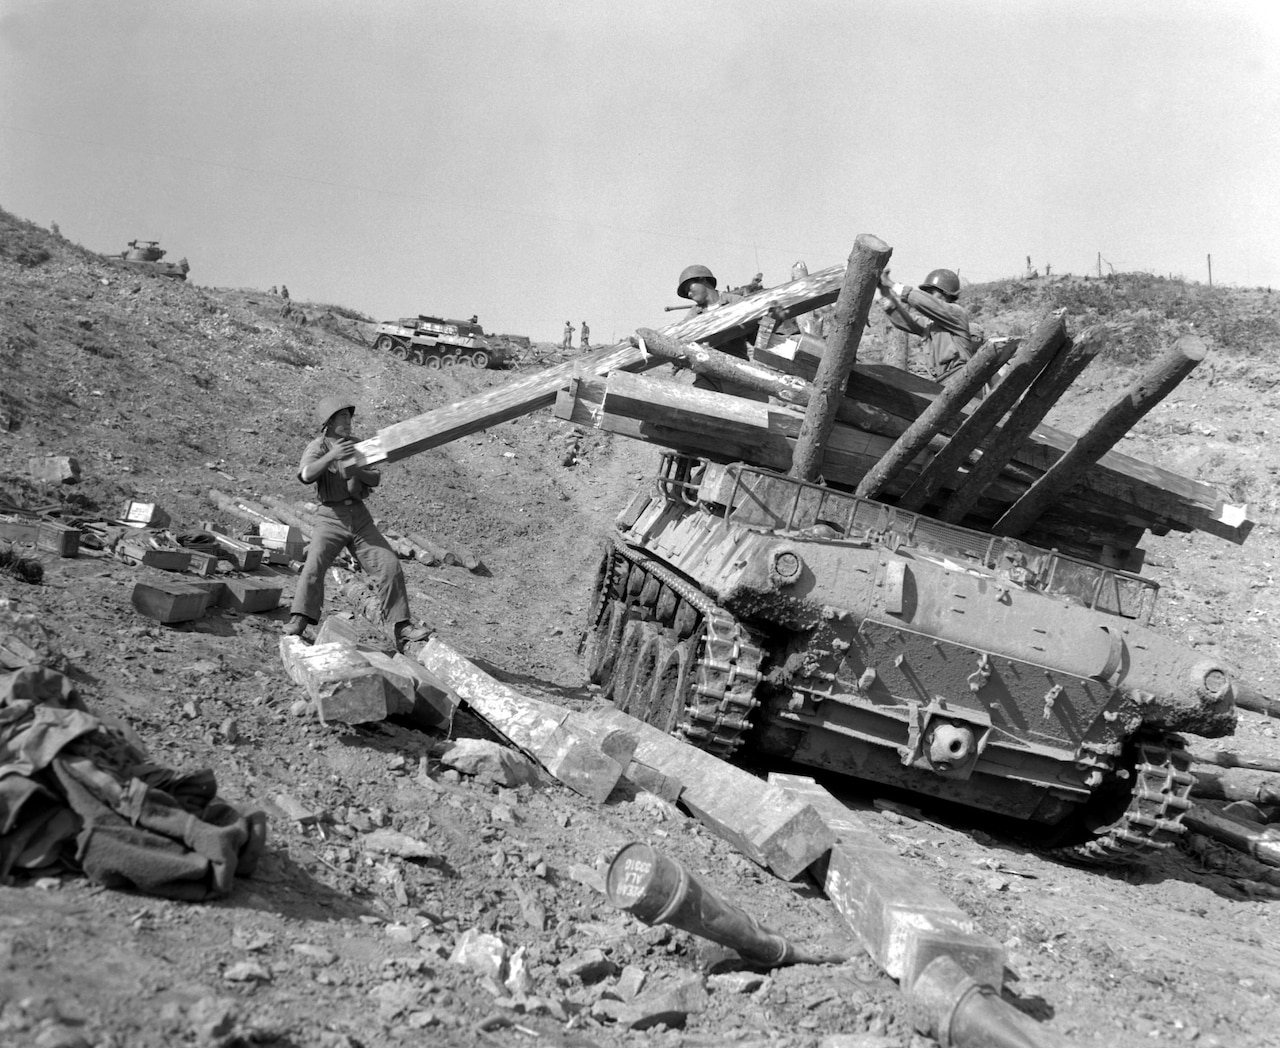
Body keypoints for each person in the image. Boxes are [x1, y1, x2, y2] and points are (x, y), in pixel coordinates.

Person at [283, 395, 432, 653]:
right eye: (342, 417)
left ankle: (402, 627)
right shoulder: (318, 446)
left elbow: (375, 479)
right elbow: (306, 475)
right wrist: (333, 457)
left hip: (360, 518)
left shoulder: (359, 445)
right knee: (313, 565)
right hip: (330, 517)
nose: (348, 421)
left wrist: (356, 469)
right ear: (328, 422)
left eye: (350, 417)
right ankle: (300, 619)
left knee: (389, 565)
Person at [878, 268, 983, 382]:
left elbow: (924, 302)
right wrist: (886, 294)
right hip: (943, 381)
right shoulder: (930, 325)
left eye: (931, 293)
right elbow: (906, 322)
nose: (928, 296)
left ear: (946, 294)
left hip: (962, 377)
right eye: (926, 293)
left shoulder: (957, 314)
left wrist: (891, 284)